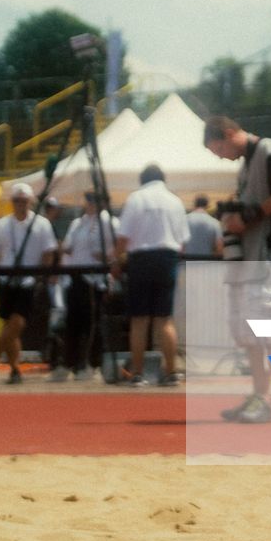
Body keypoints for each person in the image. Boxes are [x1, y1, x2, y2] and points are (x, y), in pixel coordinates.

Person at [202, 114, 271, 423]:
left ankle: (265, 397)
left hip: (266, 253)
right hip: (252, 256)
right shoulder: (247, 163)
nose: (220, 157)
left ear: (230, 133)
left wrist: (248, 216)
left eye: (219, 149)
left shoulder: (268, 150)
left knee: (262, 326)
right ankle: (259, 394)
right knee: (248, 329)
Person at [114, 165, 186, 385]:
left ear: (142, 180)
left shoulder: (136, 199)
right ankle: (171, 371)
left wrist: (117, 261)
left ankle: (137, 373)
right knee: (164, 319)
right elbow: (182, 241)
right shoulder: (175, 201)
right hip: (167, 258)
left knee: (139, 320)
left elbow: (123, 238)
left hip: (141, 260)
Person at [0, 184, 57, 385]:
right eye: (17, 200)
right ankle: (15, 369)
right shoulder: (2, 225)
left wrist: (41, 276)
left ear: (30, 202)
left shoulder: (41, 224)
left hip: (28, 280)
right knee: (10, 326)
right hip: (6, 279)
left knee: (18, 322)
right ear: (12, 202)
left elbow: (48, 252)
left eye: (24, 201)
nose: (20, 205)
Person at [59, 189, 116, 377]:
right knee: (73, 323)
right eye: (88, 200)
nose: (90, 204)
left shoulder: (109, 222)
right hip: (75, 276)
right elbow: (68, 247)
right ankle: (71, 363)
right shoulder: (78, 223)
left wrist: (106, 257)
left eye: (94, 201)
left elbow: (117, 250)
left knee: (92, 323)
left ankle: (93, 363)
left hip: (94, 278)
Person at [184, 194, 224, 259]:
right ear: (207, 206)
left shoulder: (185, 220)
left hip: (186, 262)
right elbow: (219, 248)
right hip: (206, 263)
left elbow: (179, 245)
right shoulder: (215, 223)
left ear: (194, 205)